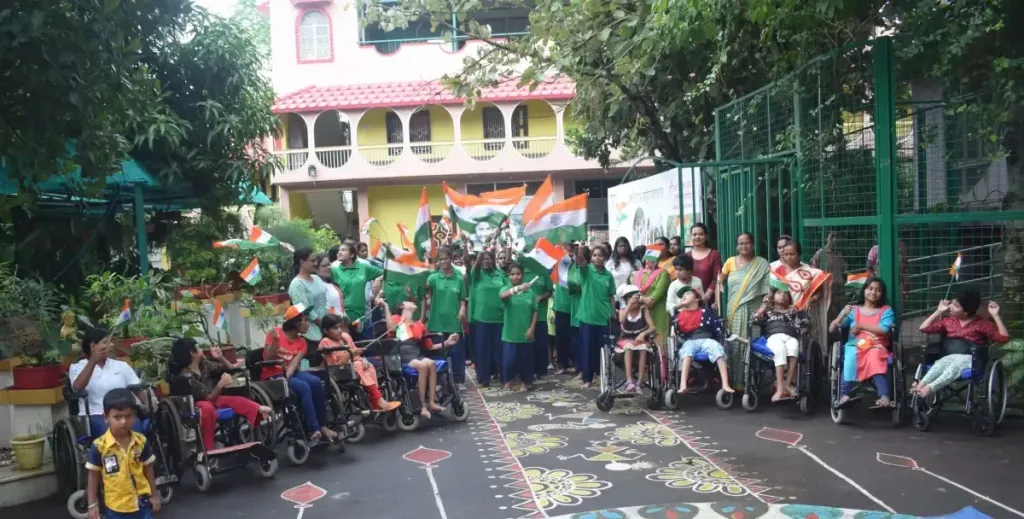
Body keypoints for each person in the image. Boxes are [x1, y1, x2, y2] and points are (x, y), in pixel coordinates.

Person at [167, 339, 271, 453]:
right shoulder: (186, 376)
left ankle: (258, 409)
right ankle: (209, 449)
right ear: (193, 353)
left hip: (211, 398)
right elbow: (208, 397)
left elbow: (231, 369)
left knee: (232, 400)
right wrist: (220, 384)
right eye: (198, 347)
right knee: (207, 408)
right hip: (195, 404)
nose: (202, 349)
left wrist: (221, 358)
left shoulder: (204, 365)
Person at [261, 304, 339, 443]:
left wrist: (286, 377)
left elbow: (294, 363)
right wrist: (275, 342)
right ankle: (313, 428)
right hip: (272, 376)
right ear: (296, 322)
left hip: (289, 373)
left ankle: (322, 426)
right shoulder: (275, 333)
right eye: (306, 320)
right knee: (304, 387)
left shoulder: (302, 342)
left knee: (316, 382)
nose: (309, 324)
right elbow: (268, 360)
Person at [913, 291, 1009, 399]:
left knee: (955, 365)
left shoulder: (981, 324)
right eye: (952, 303)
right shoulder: (949, 322)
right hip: (949, 357)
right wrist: (939, 310)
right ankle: (920, 385)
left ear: (966, 311)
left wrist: (995, 315)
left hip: (973, 360)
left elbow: (1004, 338)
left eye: (956, 306)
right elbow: (923, 328)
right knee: (940, 363)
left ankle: (930, 388)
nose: (951, 307)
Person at [85, 388, 161, 519]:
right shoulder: (100, 446)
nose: (123, 422)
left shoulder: (141, 441)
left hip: (142, 504)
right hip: (116, 508)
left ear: (134, 416)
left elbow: (148, 469)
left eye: (128, 416)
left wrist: (154, 495)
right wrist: (92, 505)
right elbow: (93, 476)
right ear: (106, 417)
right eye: (117, 417)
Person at [828, 278, 896, 408]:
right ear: (864, 290)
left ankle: (884, 397)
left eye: (878, 290)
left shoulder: (886, 310)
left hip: (876, 345)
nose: (873, 292)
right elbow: (832, 329)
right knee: (850, 357)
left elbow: (883, 330)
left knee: (874, 357)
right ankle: (844, 395)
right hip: (855, 345)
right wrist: (843, 315)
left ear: (882, 294)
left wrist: (861, 326)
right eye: (870, 288)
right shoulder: (853, 310)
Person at [385, 301, 459, 419]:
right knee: (423, 366)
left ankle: (432, 403)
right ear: (402, 306)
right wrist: (385, 306)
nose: (412, 302)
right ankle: (423, 407)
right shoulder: (397, 319)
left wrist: (447, 343)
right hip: (402, 353)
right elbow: (390, 329)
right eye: (408, 302)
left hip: (415, 353)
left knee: (431, 363)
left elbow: (430, 346)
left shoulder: (419, 325)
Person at [70, 327, 147, 436]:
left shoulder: (121, 366)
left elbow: (137, 389)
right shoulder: (78, 367)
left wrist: (149, 404)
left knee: (136, 427)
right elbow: (77, 387)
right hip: (95, 414)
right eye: (106, 342)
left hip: (123, 412)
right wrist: (93, 361)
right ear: (93, 346)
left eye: (111, 342)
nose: (111, 345)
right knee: (110, 430)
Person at [318, 313, 400, 412]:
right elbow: (334, 366)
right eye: (335, 328)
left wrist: (362, 359)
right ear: (326, 330)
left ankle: (375, 398)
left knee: (368, 365)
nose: (339, 330)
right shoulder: (325, 342)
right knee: (358, 365)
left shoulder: (345, 337)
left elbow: (356, 355)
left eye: (340, 327)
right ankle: (377, 399)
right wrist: (350, 355)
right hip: (337, 372)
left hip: (352, 367)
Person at [718, 233, 771, 386]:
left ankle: (750, 382)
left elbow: (767, 290)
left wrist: (763, 308)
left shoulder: (761, 264)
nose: (744, 246)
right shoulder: (730, 262)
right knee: (734, 344)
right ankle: (734, 381)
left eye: (747, 243)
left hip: (753, 311)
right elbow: (719, 283)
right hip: (733, 310)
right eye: (741, 243)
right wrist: (717, 302)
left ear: (752, 244)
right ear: (737, 246)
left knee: (751, 344)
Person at [771, 240, 832, 361]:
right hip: (781, 315)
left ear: (799, 254)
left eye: (792, 254)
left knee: (803, 345)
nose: (789, 257)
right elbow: (771, 292)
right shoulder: (776, 271)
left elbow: (820, 291)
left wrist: (811, 300)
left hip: (803, 315)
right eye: (786, 254)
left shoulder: (811, 272)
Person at [752, 289, 811, 402]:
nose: (783, 295)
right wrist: (764, 306)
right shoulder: (768, 311)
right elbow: (754, 319)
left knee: (794, 348)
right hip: (774, 336)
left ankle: (787, 385)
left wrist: (803, 310)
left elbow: (805, 325)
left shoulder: (794, 310)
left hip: (791, 336)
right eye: (779, 293)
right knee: (780, 349)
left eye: (785, 293)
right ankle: (780, 389)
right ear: (773, 297)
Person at [674, 287, 734, 394]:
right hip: (690, 340)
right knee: (687, 351)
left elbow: (717, 327)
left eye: (687, 293)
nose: (684, 296)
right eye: (682, 296)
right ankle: (683, 384)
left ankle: (725, 384)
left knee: (718, 349)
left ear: (697, 298)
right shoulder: (679, 316)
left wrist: (722, 334)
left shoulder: (705, 312)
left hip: (707, 339)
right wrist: (679, 306)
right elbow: (676, 331)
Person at [424, 246, 468, 390]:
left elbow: (463, 297)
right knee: (438, 354)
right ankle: (439, 382)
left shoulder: (459, 278)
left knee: (457, 354)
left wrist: (462, 308)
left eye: (446, 259)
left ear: (451, 259)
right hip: (436, 321)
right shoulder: (433, 278)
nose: (443, 262)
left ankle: (458, 380)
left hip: (454, 322)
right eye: (440, 259)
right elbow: (424, 292)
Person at [576, 244, 617, 388]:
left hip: (604, 317)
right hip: (588, 316)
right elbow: (581, 261)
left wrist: (613, 313)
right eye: (594, 255)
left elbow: (611, 296)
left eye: (600, 255)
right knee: (587, 349)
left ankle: (602, 375)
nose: (597, 258)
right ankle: (587, 379)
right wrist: (579, 249)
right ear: (591, 257)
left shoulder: (608, 275)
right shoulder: (587, 271)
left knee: (603, 349)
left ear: (605, 258)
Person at [467, 248, 507, 387]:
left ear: (493, 260)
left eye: (488, 259)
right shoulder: (477, 275)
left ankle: (504, 376)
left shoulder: (500, 275)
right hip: (482, 318)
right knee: (482, 350)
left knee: (500, 349)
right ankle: (484, 378)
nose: (485, 261)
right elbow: (476, 265)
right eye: (483, 259)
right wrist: (482, 252)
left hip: (500, 318)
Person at [332, 242, 384, 340]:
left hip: (361, 317)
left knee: (363, 345)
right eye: (339, 250)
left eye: (343, 250)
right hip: (342, 318)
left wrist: (378, 279)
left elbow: (386, 273)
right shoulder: (334, 270)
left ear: (352, 254)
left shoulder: (363, 267)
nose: (339, 252)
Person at [500, 263, 538, 391]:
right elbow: (502, 296)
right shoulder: (505, 289)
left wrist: (532, 328)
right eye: (512, 274)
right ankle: (509, 380)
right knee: (509, 360)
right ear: (508, 276)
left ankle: (525, 382)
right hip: (510, 333)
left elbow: (535, 311)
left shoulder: (531, 292)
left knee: (526, 360)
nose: (515, 277)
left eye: (518, 274)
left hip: (526, 333)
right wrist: (517, 289)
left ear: (523, 275)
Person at [289, 247, 329, 351]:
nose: (315, 263)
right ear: (302, 262)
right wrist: (324, 324)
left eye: (316, 260)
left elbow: (325, 300)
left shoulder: (317, 278)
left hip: (326, 330)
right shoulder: (297, 284)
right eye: (312, 260)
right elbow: (305, 309)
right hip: (310, 334)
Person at [617, 284, 655, 392]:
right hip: (626, 340)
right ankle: (629, 381)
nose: (634, 300)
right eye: (630, 298)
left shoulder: (643, 310)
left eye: (635, 297)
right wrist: (629, 305)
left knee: (643, 348)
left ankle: (639, 382)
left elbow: (652, 327)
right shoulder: (623, 311)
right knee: (629, 347)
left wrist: (643, 334)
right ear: (626, 300)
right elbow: (621, 320)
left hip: (641, 340)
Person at [633, 247, 671, 348]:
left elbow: (650, 301)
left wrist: (639, 298)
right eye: (648, 258)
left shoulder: (663, 274)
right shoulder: (635, 274)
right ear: (644, 259)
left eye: (654, 259)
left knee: (659, 346)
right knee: (639, 346)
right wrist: (642, 299)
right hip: (639, 314)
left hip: (658, 314)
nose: (650, 261)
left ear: (658, 260)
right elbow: (630, 296)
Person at [810, 232, 848, 321]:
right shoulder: (821, 253)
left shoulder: (839, 253)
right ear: (826, 239)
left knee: (842, 312)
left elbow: (844, 268)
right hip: (826, 288)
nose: (835, 239)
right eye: (832, 237)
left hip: (839, 287)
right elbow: (813, 267)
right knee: (827, 313)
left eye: (837, 237)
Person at [552, 244, 576, 374]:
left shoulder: (577, 268)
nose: (568, 253)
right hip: (560, 307)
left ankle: (577, 364)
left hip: (574, 308)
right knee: (561, 338)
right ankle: (563, 365)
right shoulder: (557, 267)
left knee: (574, 338)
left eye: (570, 250)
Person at [686, 223, 722, 308]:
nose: (697, 237)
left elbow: (717, 278)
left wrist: (707, 296)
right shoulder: (687, 256)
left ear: (706, 236)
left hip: (709, 300)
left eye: (701, 234)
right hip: (689, 299)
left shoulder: (714, 255)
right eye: (694, 234)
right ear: (691, 236)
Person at [567, 245, 590, 378]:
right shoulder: (572, 268)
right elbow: (571, 286)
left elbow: (583, 286)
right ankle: (578, 368)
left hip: (585, 308)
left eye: (576, 255)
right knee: (575, 342)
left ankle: (585, 370)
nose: (573, 257)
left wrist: (577, 286)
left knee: (584, 342)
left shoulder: (587, 269)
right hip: (575, 307)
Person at [529, 260, 554, 379]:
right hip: (526, 315)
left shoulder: (543, 272)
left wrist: (541, 297)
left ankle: (541, 370)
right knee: (528, 344)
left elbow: (550, 291)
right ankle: (528, 369)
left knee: (540, 343)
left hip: (541, 314)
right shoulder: (523, 271)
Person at [606, 237, 639, 304]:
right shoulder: (610, 263)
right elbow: (606, 279)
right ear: (616, 248)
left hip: (632, 297)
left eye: (625, 246)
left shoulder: (636, 262)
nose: (623, 248)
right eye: (620, 246)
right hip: (615, 298)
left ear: (628, 247)